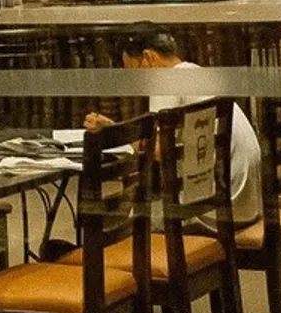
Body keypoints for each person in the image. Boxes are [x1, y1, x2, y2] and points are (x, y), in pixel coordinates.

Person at [84, 27, 261, 227]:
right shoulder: (195, 72)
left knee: (123, 223)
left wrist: (115, 135)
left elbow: (158, 150)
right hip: (245, 205)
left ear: (148, 57)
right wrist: (116, 129)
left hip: (213, 214)